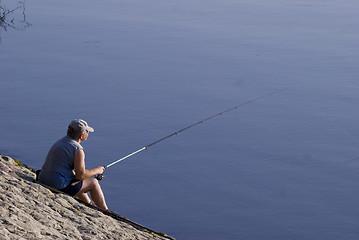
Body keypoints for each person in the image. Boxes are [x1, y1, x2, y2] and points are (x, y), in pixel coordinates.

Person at [38, 119, 108, 210]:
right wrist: (97, 171)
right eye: (87, 131)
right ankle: (105, 210)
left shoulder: (61, 142)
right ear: (82, 135)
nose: (88, 133)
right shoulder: (78, 149)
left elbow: (77, 175)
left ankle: (89, 203)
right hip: (56, 185)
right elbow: (81, 175)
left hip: (42, 179)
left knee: (77, 179)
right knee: (93, 183)